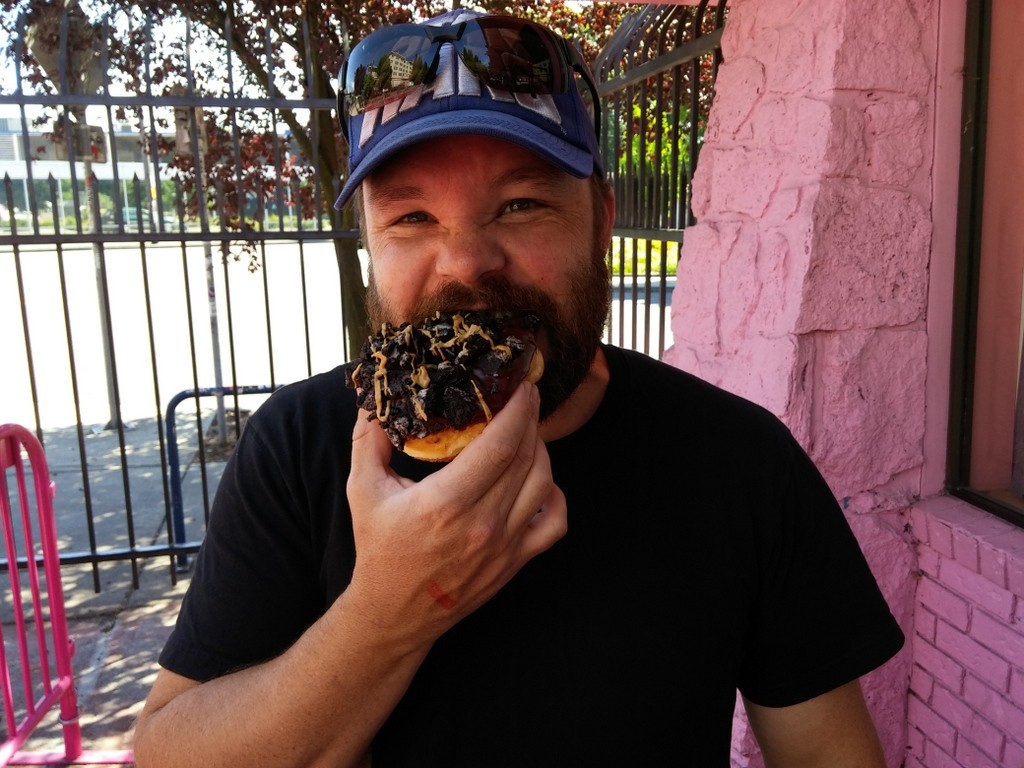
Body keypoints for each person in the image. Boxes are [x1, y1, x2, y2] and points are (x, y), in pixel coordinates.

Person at [133, 10, 904, 767]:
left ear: (601, 221)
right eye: (411, 216)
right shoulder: (296, 446)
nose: (466, 263)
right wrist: (387, 613)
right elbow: (169, 750)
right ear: (370, 246)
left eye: (521, 204)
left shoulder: (741, 461)